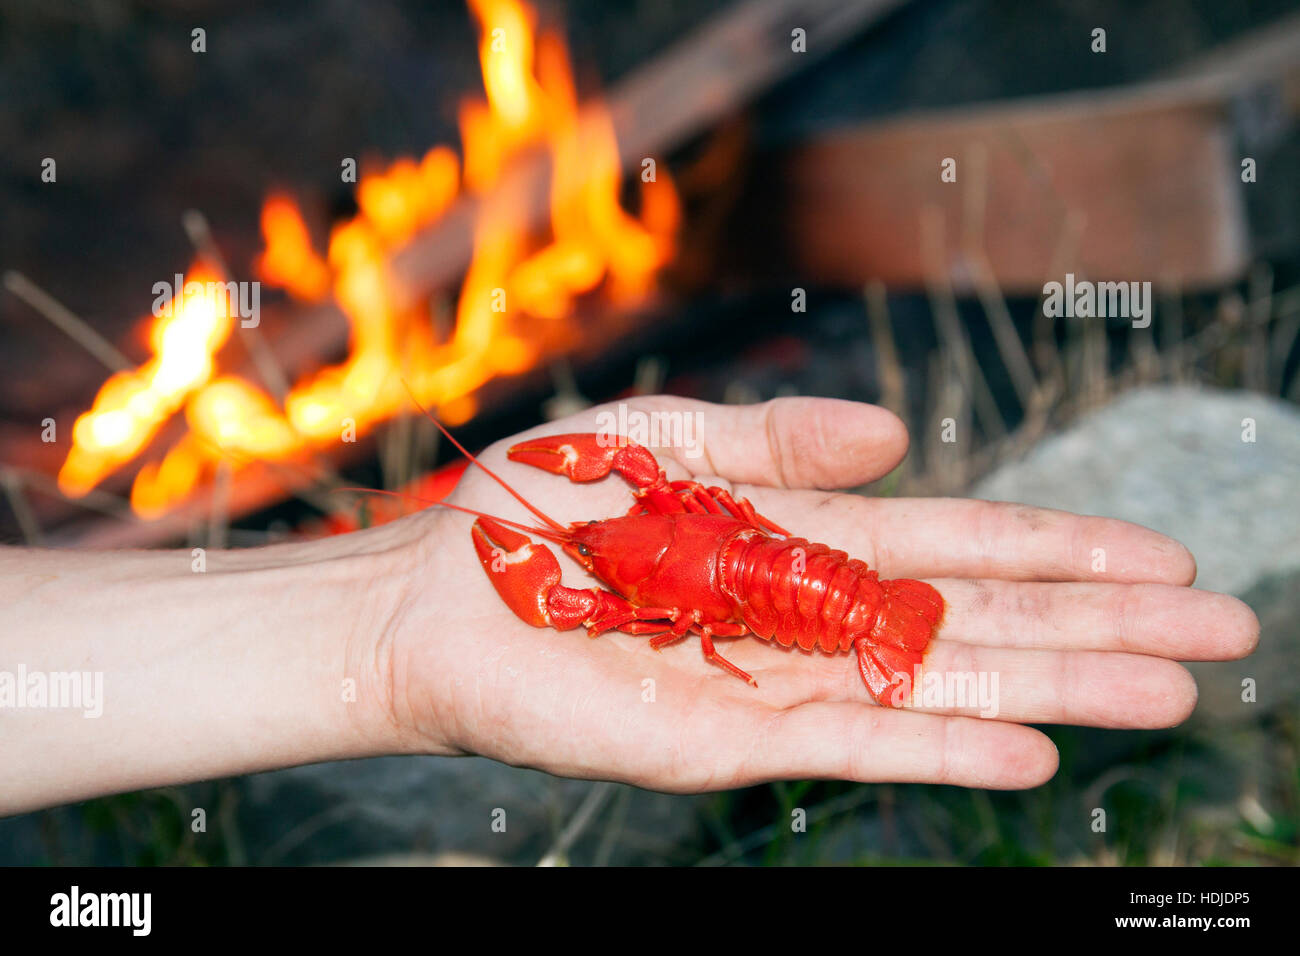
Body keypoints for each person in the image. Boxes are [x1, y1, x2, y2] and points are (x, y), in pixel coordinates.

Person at [0, 396, 1258, 816]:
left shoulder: (622, 571)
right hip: (829, 593)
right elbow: (679, 516)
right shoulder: (675, 512)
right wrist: (387, 611)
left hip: (824, 604)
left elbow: (640, 595)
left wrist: (602, 567)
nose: (596, 528)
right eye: (598, 539)